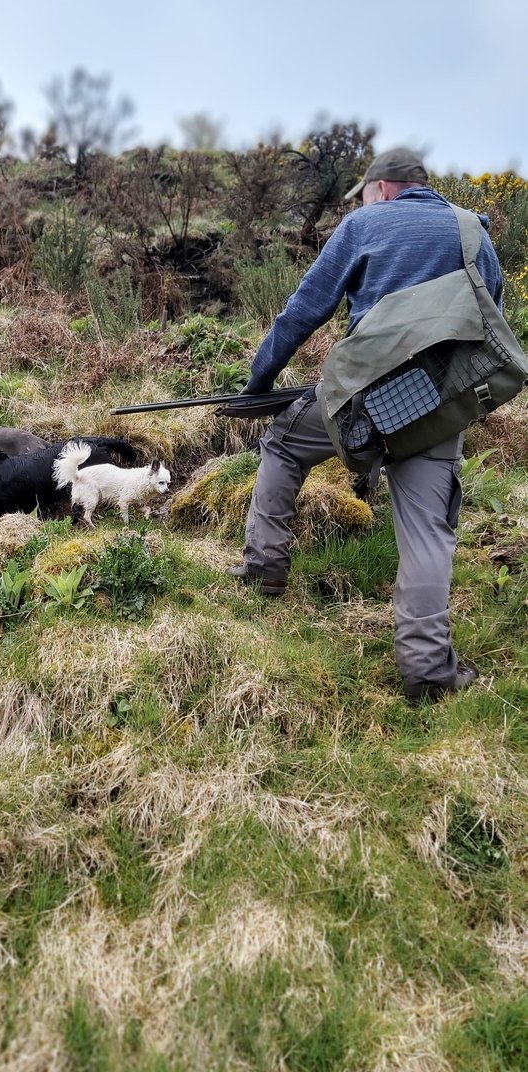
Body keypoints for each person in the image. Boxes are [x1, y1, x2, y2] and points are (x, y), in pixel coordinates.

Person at [222, 147, 504, 701]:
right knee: (427, 530)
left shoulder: (364, 224)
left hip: (361, 402)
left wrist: (258, 385)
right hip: (437, 402)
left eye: (366, 193)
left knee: (282, 443)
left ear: (383, 188)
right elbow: (487, 317)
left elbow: (303, 311)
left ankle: (265, 568)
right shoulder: (475, 232)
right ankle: (427, 673)